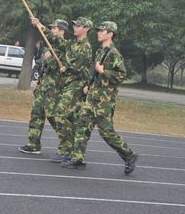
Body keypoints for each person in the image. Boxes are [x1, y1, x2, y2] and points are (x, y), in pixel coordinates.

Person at [62, 21, 138, 174]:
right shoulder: (100, 51)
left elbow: (121, 75)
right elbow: (94, 72)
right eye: (99, 30)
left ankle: (129, 155)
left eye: (102, 31)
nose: (98, 32)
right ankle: (78, 159)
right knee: (82, 126)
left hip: (104, 100)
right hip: (93, 96)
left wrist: (104, 72)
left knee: (106, 133)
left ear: (110, 34)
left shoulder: (114, 53)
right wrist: (89, 84)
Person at [46, 17, 93, 163]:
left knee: (59, 113)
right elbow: (58, 42)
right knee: (71, 118)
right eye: (75, 25)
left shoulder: (86, 47)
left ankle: (66, 149)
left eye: (78, 26)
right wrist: (40, 26)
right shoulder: (72, 43)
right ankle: (71, 148)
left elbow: (75, 67)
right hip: (68, 84)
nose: (75, 27)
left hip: (76, 85)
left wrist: (63, 65)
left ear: (86, 29)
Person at [19, 19, 68, 155]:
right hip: (44, 87)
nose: (52, 30)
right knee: (36, 114)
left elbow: (58, 68)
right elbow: (44, 68)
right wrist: (38, 81)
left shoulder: (65, 46)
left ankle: (68, 143)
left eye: (55, 28)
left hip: (54, 89)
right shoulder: (49, 47)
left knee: (54, 118)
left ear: (62, 31)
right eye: (51, 28)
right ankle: (33, 144)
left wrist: (39, 25)